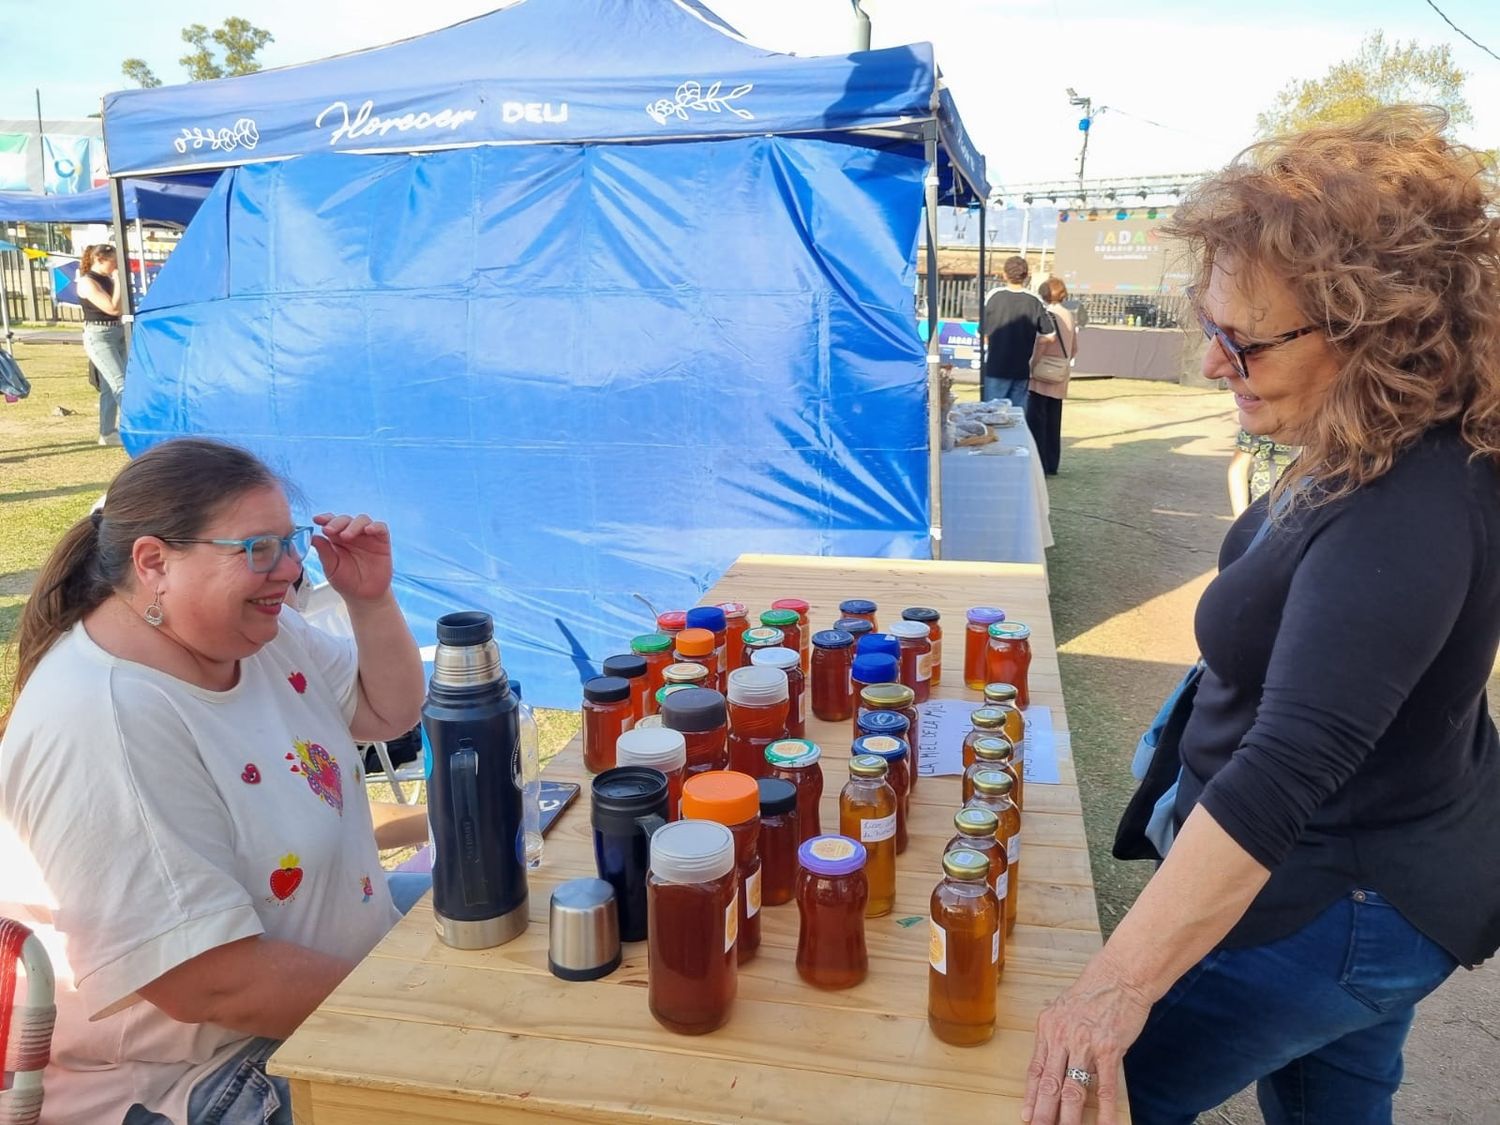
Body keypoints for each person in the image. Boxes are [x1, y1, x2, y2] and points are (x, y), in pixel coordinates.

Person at [1021, 106, 1500, 1125]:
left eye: (1243, 344)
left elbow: (1286, 765)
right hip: (1377, 882)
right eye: (1211, 329)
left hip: (1336, 899)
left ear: (1377, 331)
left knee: (1092, 1096)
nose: (1212, 365)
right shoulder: (1371, 434)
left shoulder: (1411, 504)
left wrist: (1110, 993)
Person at [0, 438, 428, 1125]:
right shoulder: (104, 721)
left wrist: (370, 602)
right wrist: (421, 1007)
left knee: (509, 920)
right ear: (153, 563)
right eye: (258, 549)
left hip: (319, 991)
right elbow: (211, 983)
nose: (290, 570)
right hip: (209, 1077)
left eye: (289, 542)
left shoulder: (256, 637)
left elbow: (388, 710)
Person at [981, 255, 1055, 409]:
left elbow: (983, 332)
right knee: (1017, 417)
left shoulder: (994, 296)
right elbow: (1050, 335)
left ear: (1004, 275)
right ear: (1026, 276)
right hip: (1021, 368)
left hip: (996, 366)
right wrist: (1033, 353)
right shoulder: (1034, 300)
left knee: (991, 415)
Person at [1025, 277, 1078, 476]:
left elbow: (1042, 342)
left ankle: (1039, 463)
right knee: (1054, 421)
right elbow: (1074, 348)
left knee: (1036, 419)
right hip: (1060, 373)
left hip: (1042, 371)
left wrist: (1033, 365)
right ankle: (1052, 463)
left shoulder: (1047, 314)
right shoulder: (1070, 315)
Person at [76, 244, 128, 447]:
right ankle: (136, 427)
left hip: (118, 332)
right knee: (120, 383)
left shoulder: (108, 279)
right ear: (99, 259)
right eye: (114, 262)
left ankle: (107, 433)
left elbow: (121, 307)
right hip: (99, 336)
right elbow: (113, 308)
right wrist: (119, 281)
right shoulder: (87, 282)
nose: (117, 266)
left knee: (109, 386)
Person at [1226, 428, 1298, 516]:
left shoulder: (1312, 427)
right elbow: (1238, 468)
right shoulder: (1260, 423)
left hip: (1303, 509)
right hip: (1262, 507)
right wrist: (1241, 516)